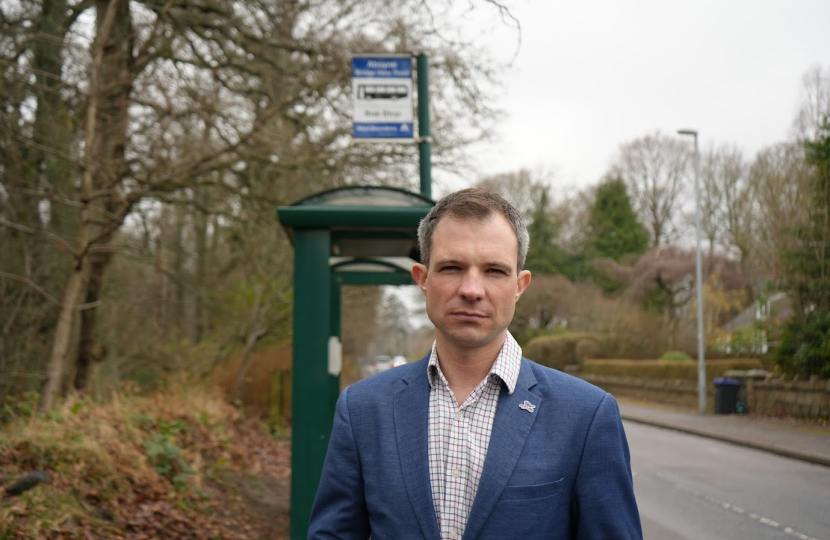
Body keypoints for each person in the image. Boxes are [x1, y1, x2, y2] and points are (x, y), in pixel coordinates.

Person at [308, 188, 643, 540]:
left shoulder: (587, 415)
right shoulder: (362, 409)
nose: (471, 289)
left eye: (494, 271)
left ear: (519, 285)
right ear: (423, 279)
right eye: (452, 267)